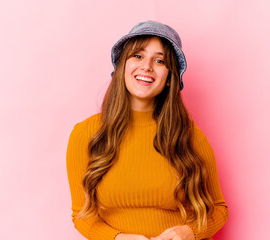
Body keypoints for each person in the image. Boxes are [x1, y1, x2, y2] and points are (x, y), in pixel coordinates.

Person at [66, 20, 228, 240]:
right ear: (122, 66)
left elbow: (219, 208)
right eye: (138, 56)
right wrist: (118, 238)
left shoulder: (189, 135)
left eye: (159, 60)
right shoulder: (86, 134)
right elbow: (82, 215)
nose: (146, 66)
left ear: (171, 78)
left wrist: (190, 232)